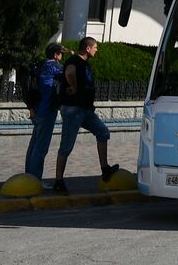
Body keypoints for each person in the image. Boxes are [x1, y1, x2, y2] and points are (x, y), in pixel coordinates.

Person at [53, 37, 119, 193]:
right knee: (66, 145)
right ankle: (58, 180)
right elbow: (69, 72)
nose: (97, 49)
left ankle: (105, 169)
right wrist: (74, 87)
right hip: (73, 109)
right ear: (88, 48)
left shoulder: (83, 62)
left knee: (103, 132)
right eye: (95, 47)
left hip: (85, 110)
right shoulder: (75, 61)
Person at [24, 43, 66, 180]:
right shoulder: (54, 66)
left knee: (34, 145)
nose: (62, 56)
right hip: (47, 110)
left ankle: (29, 177)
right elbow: (70, 71)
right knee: (41, 147)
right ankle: (35, 179)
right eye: (61, 53)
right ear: (55, 55)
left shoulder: (39, 65)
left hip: (36, 109)